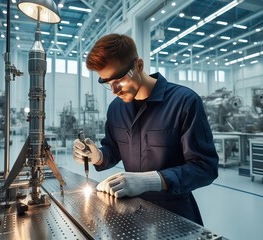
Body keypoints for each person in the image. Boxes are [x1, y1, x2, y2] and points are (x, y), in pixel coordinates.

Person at [72, 33, 218, 225]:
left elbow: (205, 167)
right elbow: (114, 150)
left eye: (119, 81)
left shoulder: (184, 102)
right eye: (108, 84)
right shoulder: (116, 109)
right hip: (130, 211)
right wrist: (98, 156)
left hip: (175, 214)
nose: (115, 91)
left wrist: (152, 180)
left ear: (138, 66)